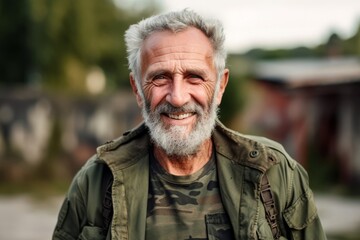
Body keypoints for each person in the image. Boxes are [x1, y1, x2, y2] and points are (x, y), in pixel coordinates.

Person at [53, 9, 327, 240]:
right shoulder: (95, 183)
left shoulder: (276, 173)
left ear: (220, 86)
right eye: (160, 77)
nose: (178, 97)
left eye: (195, 77)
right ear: (137, 89)